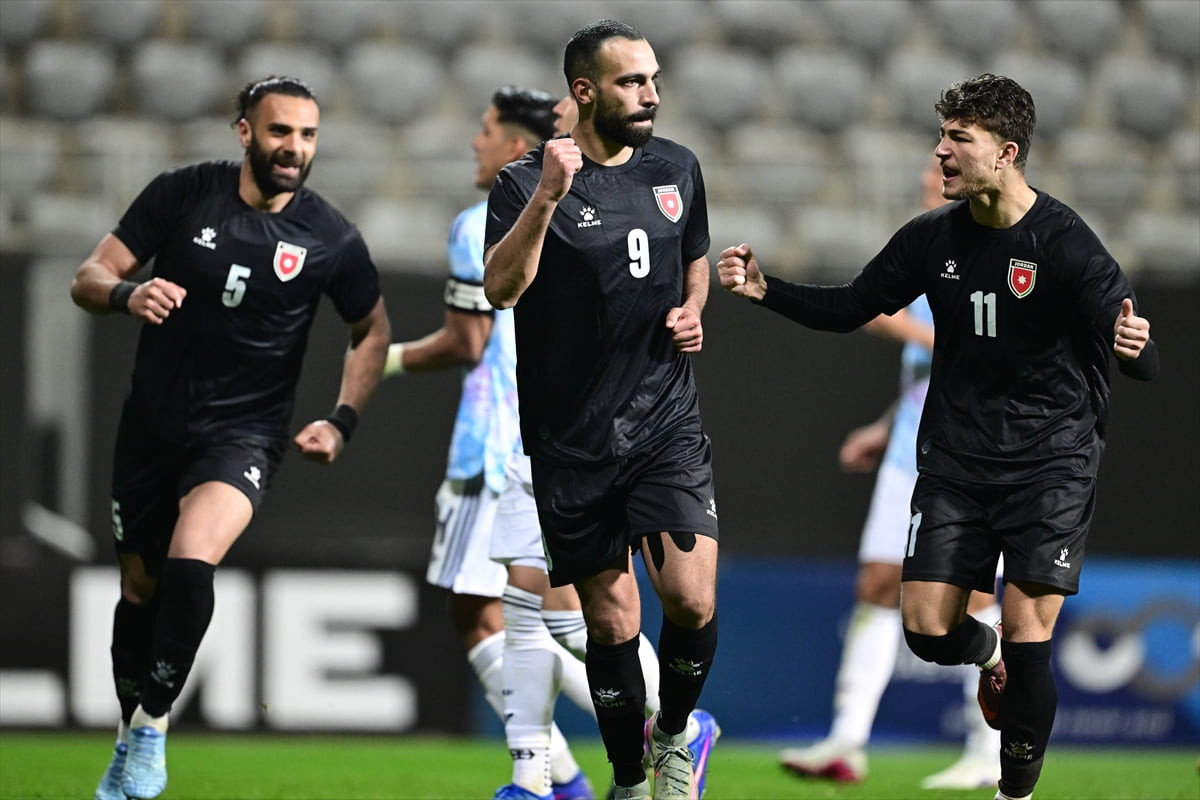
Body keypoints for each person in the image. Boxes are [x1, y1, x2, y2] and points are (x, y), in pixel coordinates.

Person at [718, 73, 1157, 800]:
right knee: (924, 628)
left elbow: (1141, 356)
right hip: (956, 463)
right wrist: (768, 290)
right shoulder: (932, 239)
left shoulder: (1067, 244)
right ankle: (989, 661)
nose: (941, 152)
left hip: (1051, 467)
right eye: (942, 136)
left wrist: (1137, 348)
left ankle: (1012, 792)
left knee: (1031, 634)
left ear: (1006, 152)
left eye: (959, 139)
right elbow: (853, 304)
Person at [71, 75, 390, 800]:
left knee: (190, 565)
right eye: (281, 132)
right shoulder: (181, 195)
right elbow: (88, 277)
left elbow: (371, 328)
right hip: (151, 428)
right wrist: (128, 293)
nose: (295, 149)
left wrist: (342, 419)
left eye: (307, 136)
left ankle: (152, 728)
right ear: (245, 132)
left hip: (244, 433)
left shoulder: (329, 236)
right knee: (141, 586)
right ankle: (128, 739)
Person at [381, 86, 658, 800]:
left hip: (499, 444)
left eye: (485, 130)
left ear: (514, 146)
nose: (475, 143)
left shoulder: (483, 218)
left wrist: (382, 358)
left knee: (512, 616)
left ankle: (602, 754)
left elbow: (468, 340)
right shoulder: (592, 215)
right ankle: (562, 772)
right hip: (569, 438)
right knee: (558, 613)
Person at [483, 20, 721, 800]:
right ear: (584, 92)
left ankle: (677, 735)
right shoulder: (524, 182)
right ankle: (626, 780)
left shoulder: (678, 167)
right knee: (611, 628)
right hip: (571, 439)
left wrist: (693, 309)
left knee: (689, 597)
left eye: (653, 79)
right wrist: (550, 195)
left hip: (663, 420)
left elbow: (695, 262)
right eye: (631, 82)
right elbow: (501, 289)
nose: (651, 94)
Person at [780, 159, 1004, 791]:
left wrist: (890, 317)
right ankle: (847, 742)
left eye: (938, 183)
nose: (930, 192)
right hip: (910, 449)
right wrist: (883, 427)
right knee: (878, 584)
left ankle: (986, 748)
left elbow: (983, 350)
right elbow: (924, 368)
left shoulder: (992, 255)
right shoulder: (932, 253)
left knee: (976, 598)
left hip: (970, 456)